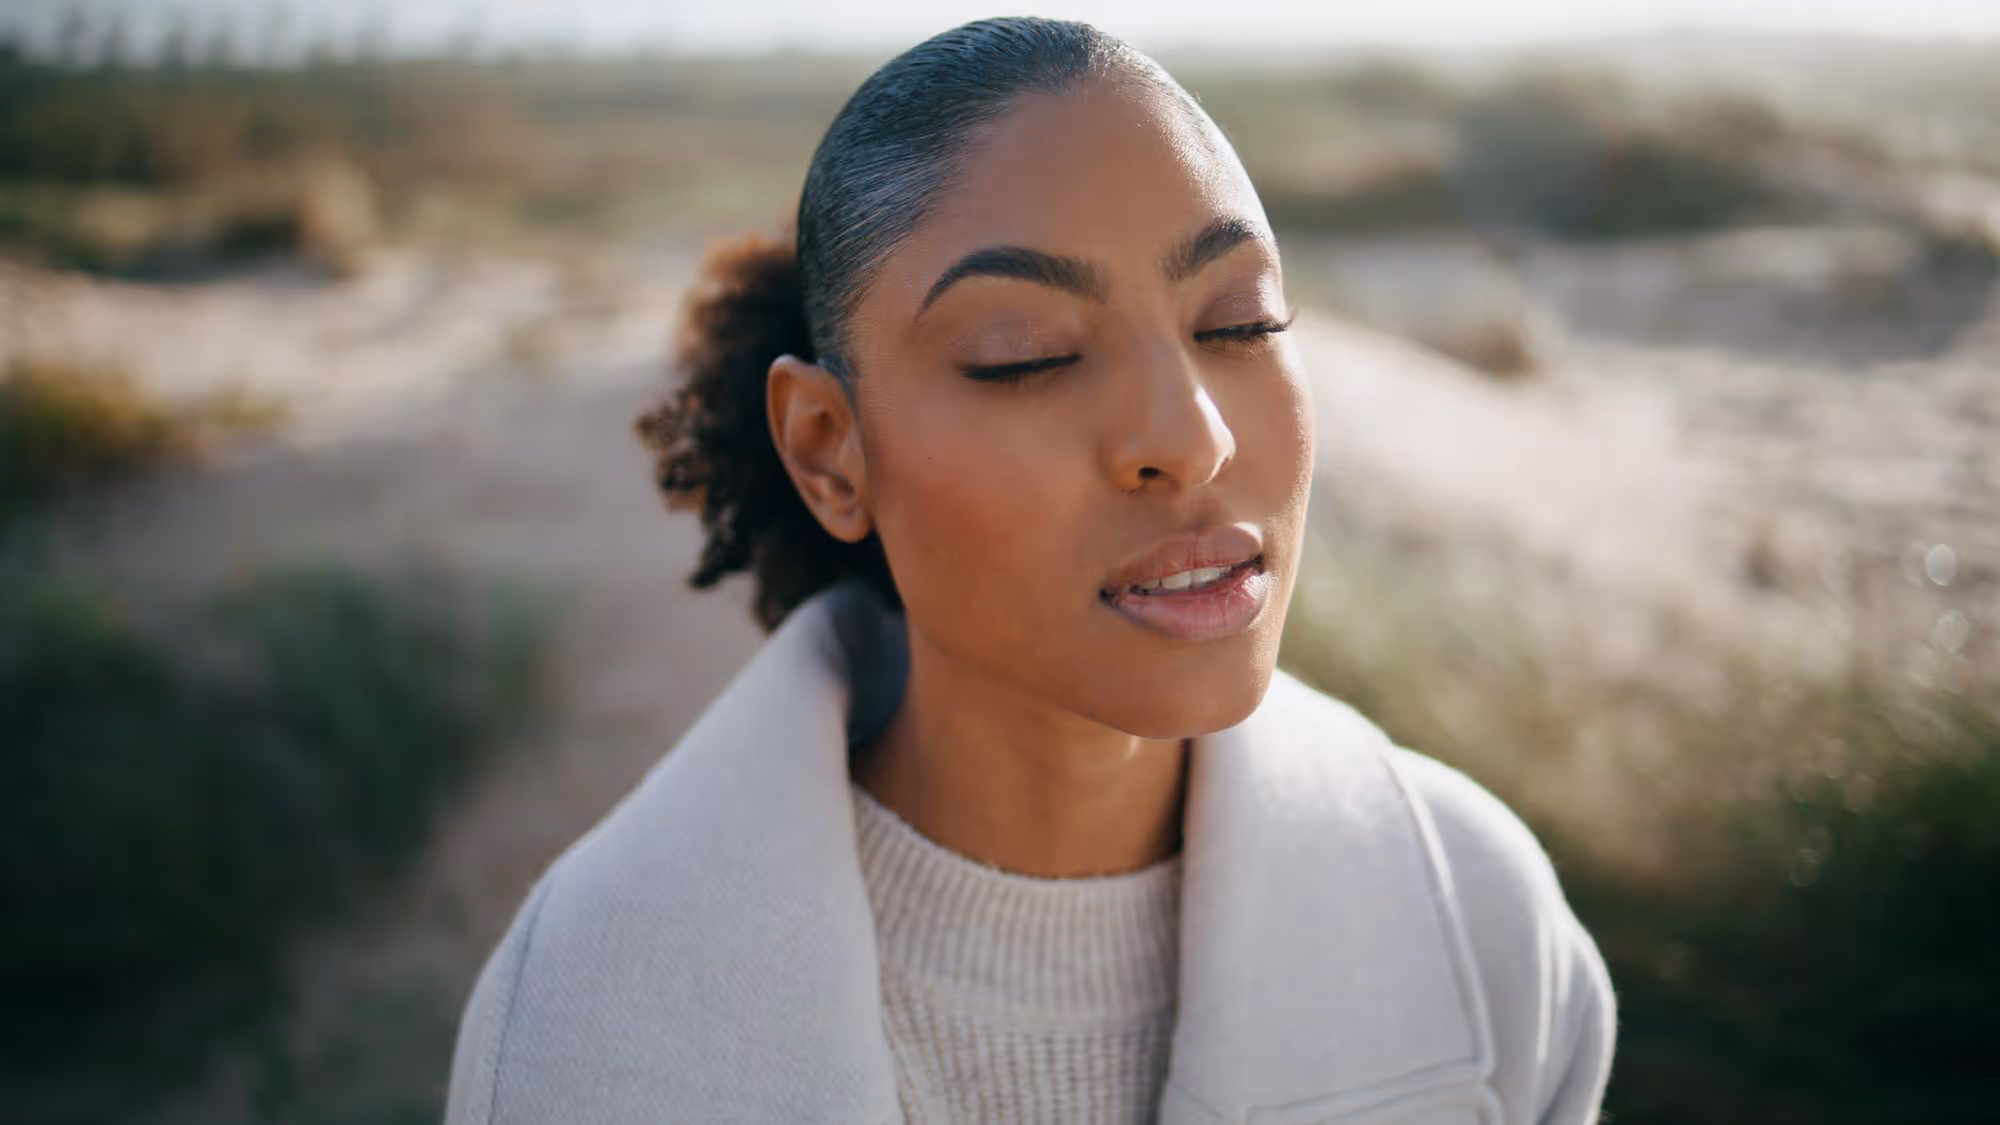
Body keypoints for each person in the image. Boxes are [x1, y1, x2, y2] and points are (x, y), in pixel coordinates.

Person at [444, 15, 1616, 1124]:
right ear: (828, 451)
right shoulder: (580, 1022)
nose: (1189, 435)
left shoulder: (1483, 925)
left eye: (1238, 323)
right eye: (1028, 357)